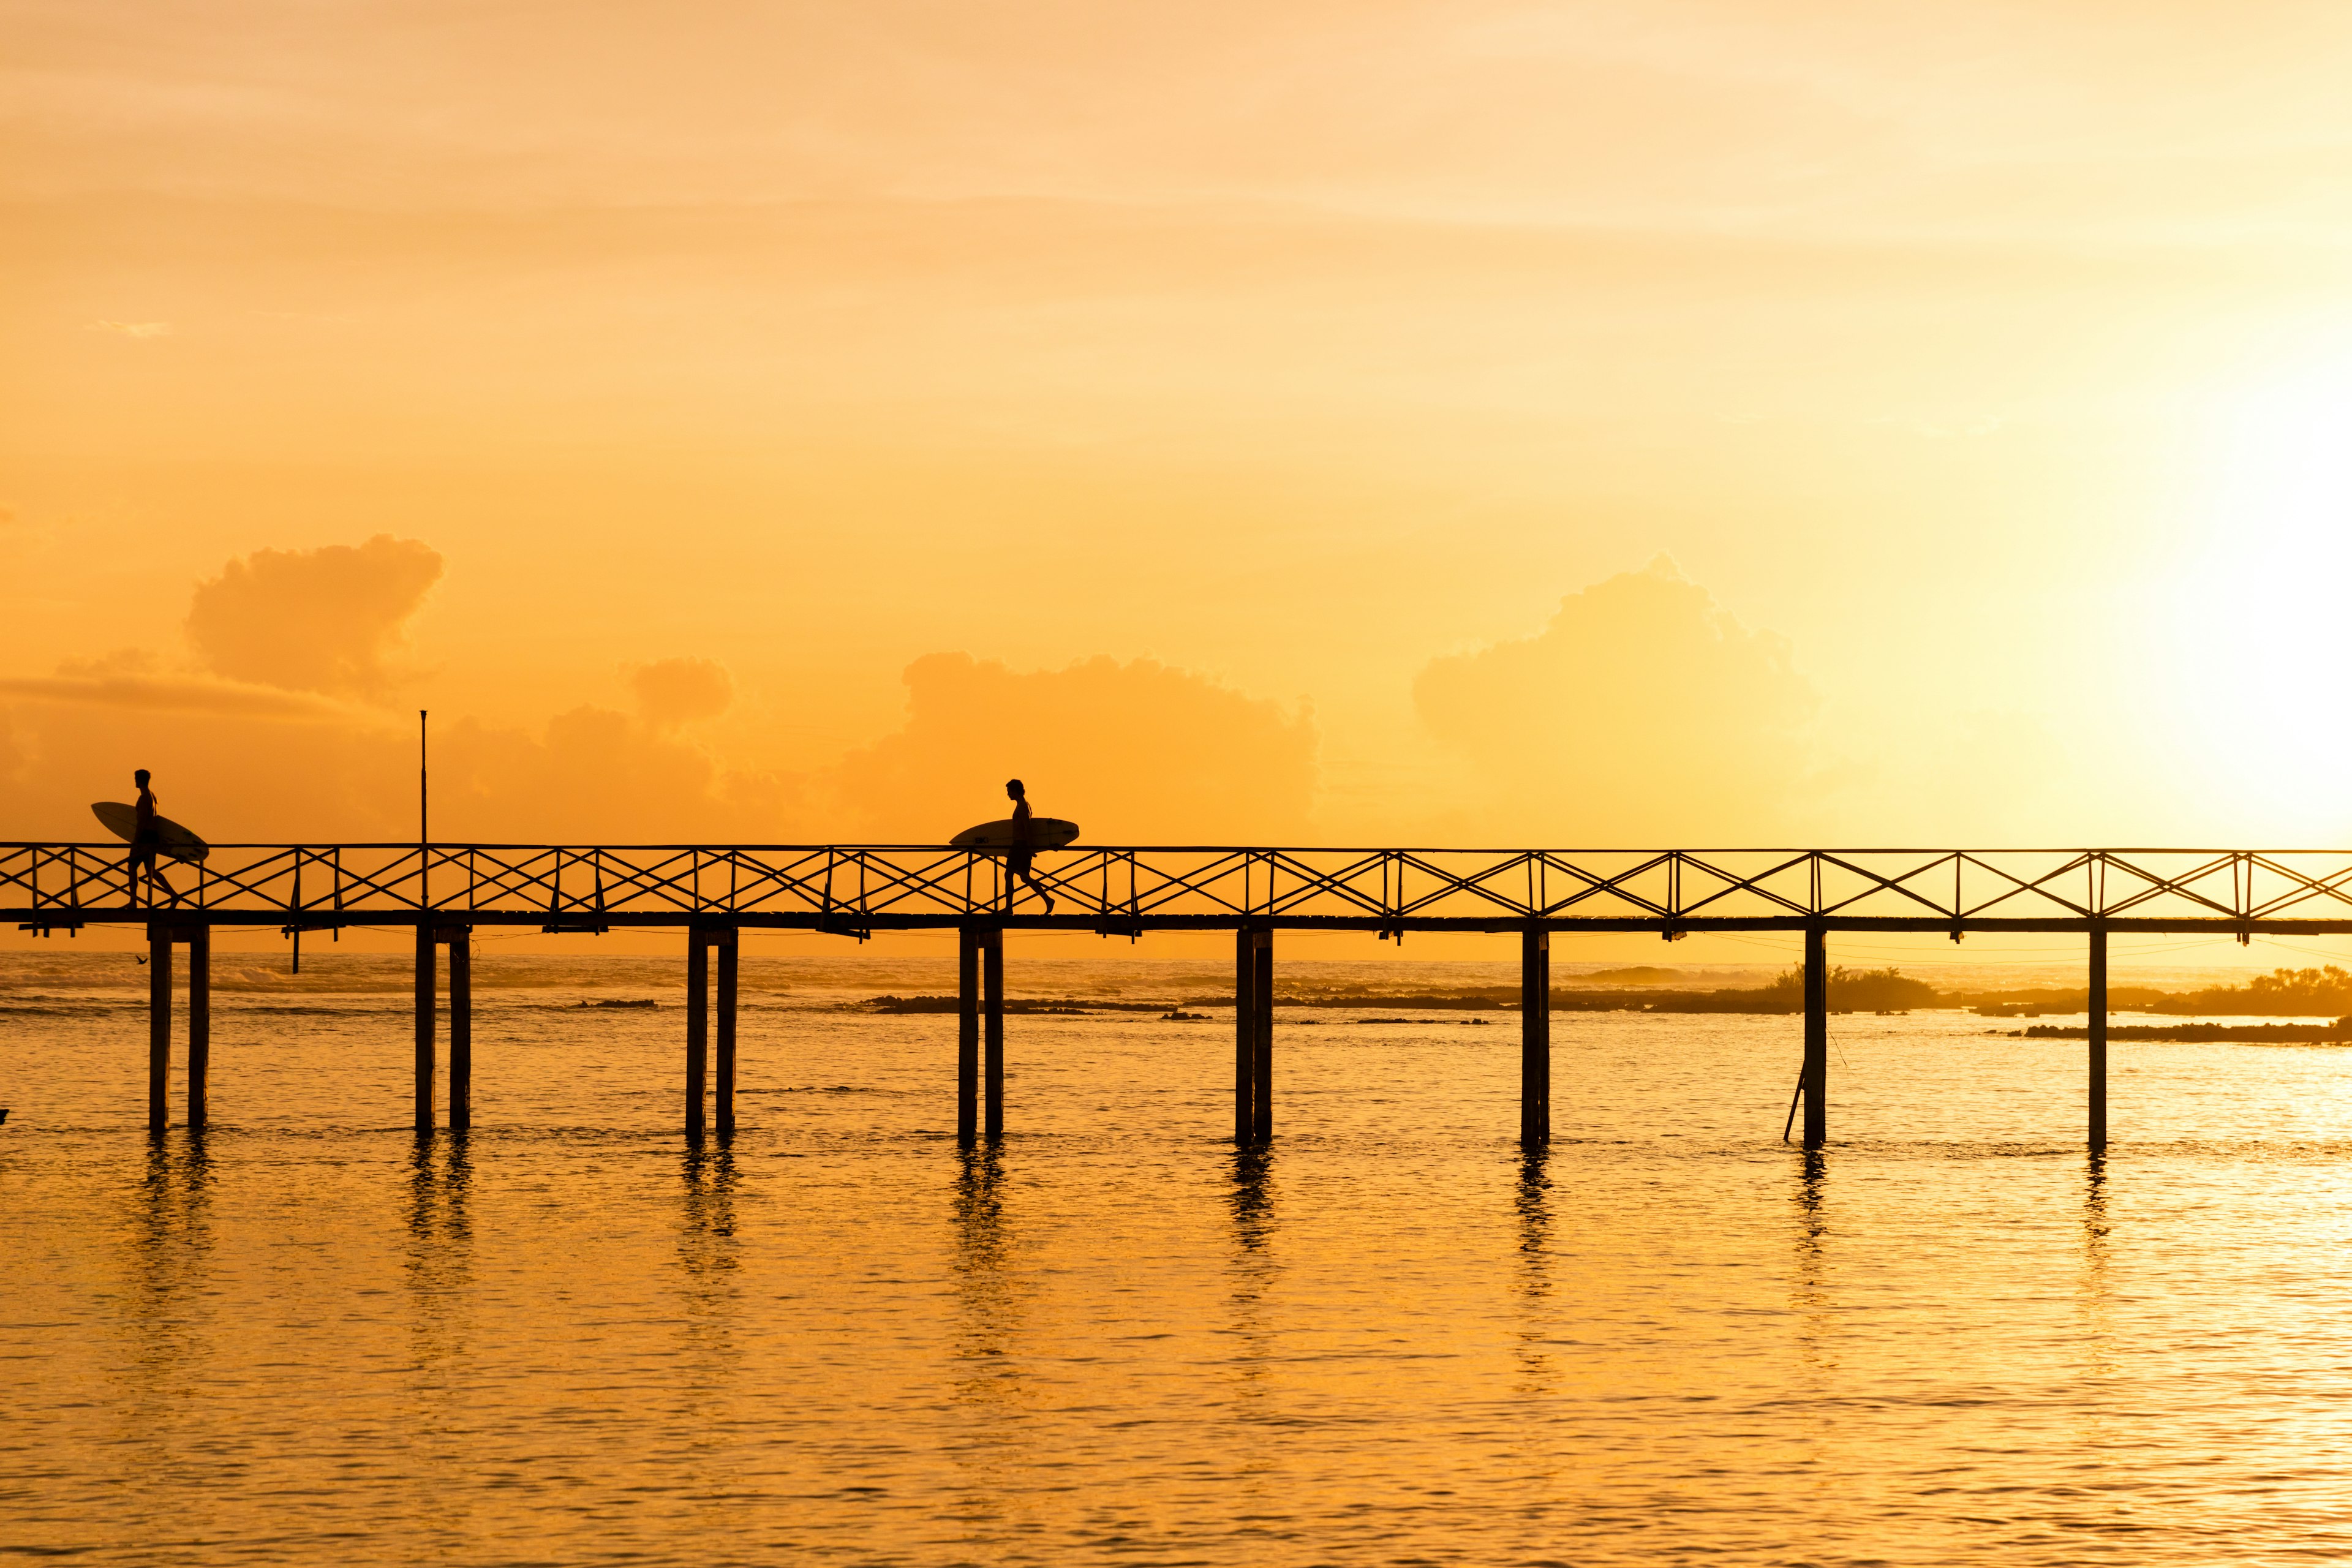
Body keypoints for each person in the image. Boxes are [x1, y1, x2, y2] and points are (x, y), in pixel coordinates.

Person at [127, 768, 178, 908]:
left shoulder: (144, 798)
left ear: (138, 780)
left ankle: (133, 901)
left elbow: (142, 821)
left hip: (145, 836)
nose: (134, 781)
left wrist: (136, 841)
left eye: (135, 779)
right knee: (151, 871)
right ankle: (173, 895)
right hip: (153, 836)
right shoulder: (153, 796)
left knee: (132, 866)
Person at [1004, 778, 1055, 914]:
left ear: (1015, 791)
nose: (1008, 794)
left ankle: (1009, 908)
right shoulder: (1022, 804)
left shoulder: (1022, 806)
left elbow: (1028, 827)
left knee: (1011, 875)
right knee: (1022, 877)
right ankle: (1048, 900)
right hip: (1019, 845)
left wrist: (1029, 847)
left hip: (1020, 845)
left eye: (1009, 791)